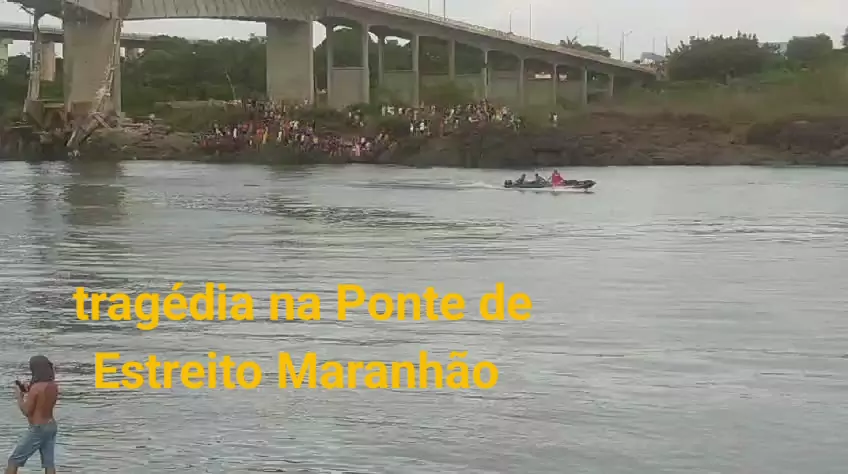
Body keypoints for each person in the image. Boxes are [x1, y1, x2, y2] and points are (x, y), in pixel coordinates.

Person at [6, 355, 58, 474]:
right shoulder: (53, 386)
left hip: (38, 428)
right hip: (51, 426)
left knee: (13, 460)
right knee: (49, 463)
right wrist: (28, 389)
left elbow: (26, 411)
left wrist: (19, 397)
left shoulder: (35, 388)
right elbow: (42, 397)